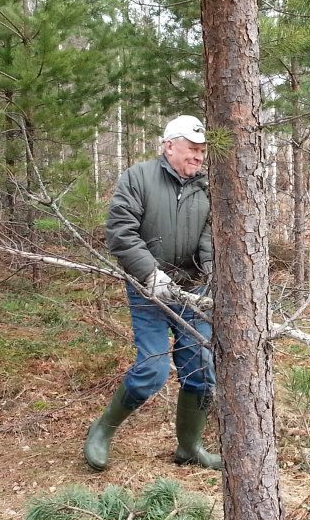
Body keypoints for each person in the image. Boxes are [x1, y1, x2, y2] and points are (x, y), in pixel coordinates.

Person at [84, 114, 221, 471]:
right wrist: (151, 275)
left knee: (202, 370)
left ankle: (189, 447)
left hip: (193, 290)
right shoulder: (137, 178)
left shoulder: (209, 186)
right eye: (192, 149)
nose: (198, 156)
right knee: (152, 370)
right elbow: (120, 232)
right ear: (169, 145)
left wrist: (212, 272)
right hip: (149, 290)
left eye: (203, 151)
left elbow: (211, 235)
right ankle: (102, 430)